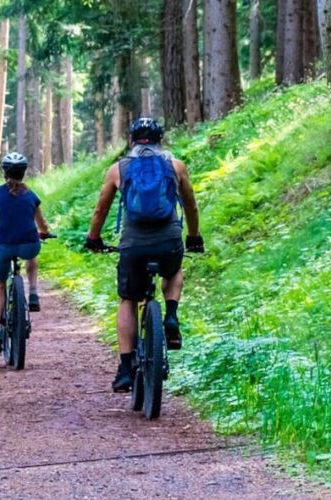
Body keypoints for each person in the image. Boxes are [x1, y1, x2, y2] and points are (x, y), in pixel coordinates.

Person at [84, 118, 204, 392]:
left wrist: (93, 238)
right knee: (173, 271)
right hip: (168, 240)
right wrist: (194, 237)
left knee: (128, 298)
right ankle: (171, 315)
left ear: (131, 140)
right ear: (161, 139)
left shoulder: (119, 169)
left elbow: (100, 210)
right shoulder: (176, 166)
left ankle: (126, 368)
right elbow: (191, 205)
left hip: (134, 244)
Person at [0, 153, 52, 353]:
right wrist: (45, 233)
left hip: (3, 246)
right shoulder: (31, 196)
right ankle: (32, 291)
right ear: (24, 173)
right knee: (32, 253)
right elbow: (41, 224)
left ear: (4, 172)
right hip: (28, 245)